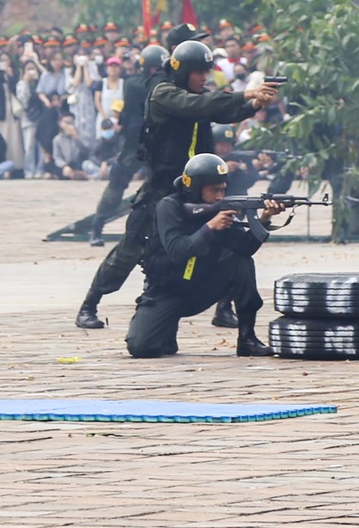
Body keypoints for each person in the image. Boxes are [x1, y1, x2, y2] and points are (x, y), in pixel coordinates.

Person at [74, 39, 278, 331]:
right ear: (182, 72)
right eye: (198, 72)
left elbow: (221, 111)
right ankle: (89, 305)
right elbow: (200, 105)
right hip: (161, 191)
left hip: (199, 188)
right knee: (130, 249)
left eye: (206, 72)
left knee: (225, 238)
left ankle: (224, 308)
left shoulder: (197, 94)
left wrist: (255, 103)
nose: (204, 78)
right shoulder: (164, 93)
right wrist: (246, 92)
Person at [126, 153, 282, 358]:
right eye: (213, 190)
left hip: (201, 287)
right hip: (167, 290)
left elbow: (243, 249)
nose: (219, 196)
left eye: (223, 190)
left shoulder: (222, 210)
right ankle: (165, 330)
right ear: (195, 187)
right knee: (142, 348)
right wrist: (210, 228)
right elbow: (177, 251)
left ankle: (247, 338)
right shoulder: (169, 207)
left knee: (241, 262)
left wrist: (263, 220)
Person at [81, 46, 163, 247]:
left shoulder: (165, 83)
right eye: (153, 68)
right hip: (135, 144)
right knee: (116, 183)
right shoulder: (135, 84)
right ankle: (97, 228)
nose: (156, 72)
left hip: (160, 143)